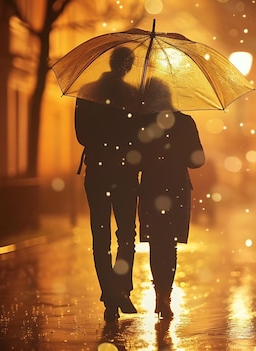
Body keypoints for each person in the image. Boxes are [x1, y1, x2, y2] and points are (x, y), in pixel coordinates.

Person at [75, 47, 140, 321]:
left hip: (98, 172)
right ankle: (121, 289)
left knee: (100, 236)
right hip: (125, 173)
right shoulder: (135, 96)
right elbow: (141, 137)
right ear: (127, 67)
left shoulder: (87, 91)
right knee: (126, 234)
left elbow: (81, 136)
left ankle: (110, 294)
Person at [136, 78, 205, 320]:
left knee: (157, 241)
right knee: (170, 243)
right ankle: (166, 295)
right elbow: (198, 160)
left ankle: (159, 293)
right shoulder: (185, 122)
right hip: (176, 186)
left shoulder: (142, 122)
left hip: (152, 186)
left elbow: (134, 156)